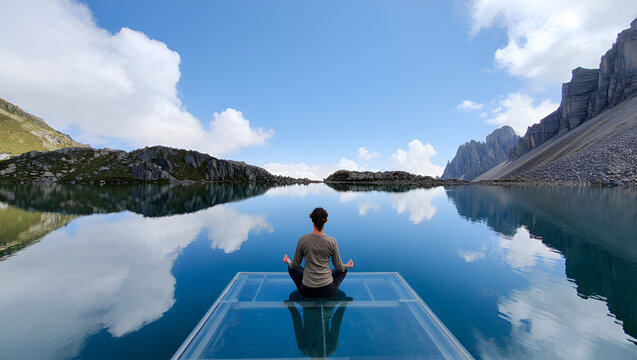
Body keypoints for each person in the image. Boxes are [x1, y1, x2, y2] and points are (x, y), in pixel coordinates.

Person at [283, 207, 354, 298]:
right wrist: (347, 265)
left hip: (306, 290)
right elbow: (338, 266)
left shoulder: (303, 239)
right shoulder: (332, 241)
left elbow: (294, 264)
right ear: (326, 220)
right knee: (343, 269)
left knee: (291, 267)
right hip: (328, 290)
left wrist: (288, 261)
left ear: (312, 220)